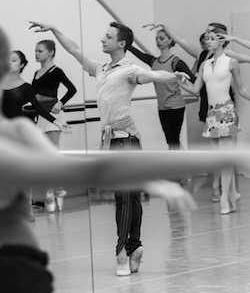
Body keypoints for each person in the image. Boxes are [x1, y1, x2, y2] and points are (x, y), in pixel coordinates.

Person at [28, 20, 190, 277]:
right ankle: (134, 245)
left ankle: (122, 253)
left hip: (126, 139)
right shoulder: (100, 68)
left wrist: (173, 75)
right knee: (130, 197)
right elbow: (73, 49)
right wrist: (54, 29)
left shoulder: (129, 69)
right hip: (113, 141)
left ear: (121, 43)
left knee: (125, 197)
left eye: (107, 37)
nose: (102, 40)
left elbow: (152, 75)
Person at [178, 26, 250, 214]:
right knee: (220, 159)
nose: (207, 40)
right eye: (206, 38)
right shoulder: (205, 64)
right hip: (211, 113)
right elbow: (195, 90)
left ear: (221, 41)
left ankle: (225, 198)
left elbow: (241, 89)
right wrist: (177, 81)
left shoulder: (231, 62)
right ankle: (232, 193)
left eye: (211, 38)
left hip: (226, 111)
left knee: (224, 159)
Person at [1, 50, 71, 220]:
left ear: (22, 65)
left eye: (14, 60)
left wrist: (57, 122)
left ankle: (27, 210)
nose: (9, 62)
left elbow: (39, 109)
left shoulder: (26, 88)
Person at [129, 26, 196, 149]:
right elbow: (139, 54)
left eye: (161, 38)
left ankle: (174, 166)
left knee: (173, 141)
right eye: (157, 39)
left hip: (176, 106)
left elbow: (194, 79)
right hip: (162, 106)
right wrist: (126, 41)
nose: (158, 41)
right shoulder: (154, 61)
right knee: (170, 140)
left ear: (170, 41)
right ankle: (181, 163)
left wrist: (184, 82)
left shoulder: (176, 62)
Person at [32, 39, 77, 213]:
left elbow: (72, 89)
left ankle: (51, 191)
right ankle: (57, 188)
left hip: (53, 116)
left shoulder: (56, 71)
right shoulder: (36, 72)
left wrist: (61, 103)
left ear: (50, 52)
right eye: (35, 50)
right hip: (40, 117)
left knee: (52, 155)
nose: (36, 53)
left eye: (40, 51)